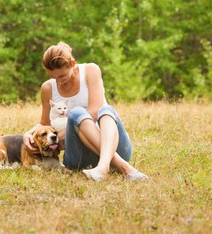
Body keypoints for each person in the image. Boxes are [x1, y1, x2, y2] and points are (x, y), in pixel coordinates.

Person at [23, 42, 148, 182]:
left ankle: (104, 166)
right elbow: (44, 123)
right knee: (76, 113)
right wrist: (28, 134)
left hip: (115, 148)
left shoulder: (90, 71)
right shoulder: (47, 88)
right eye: (54, 77)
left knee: (103, 110)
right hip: (79, 157)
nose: (58, 81)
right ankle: (124, 169)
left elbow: (94, 112)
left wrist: (59, 135)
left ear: (72, 63)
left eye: (62, 76)